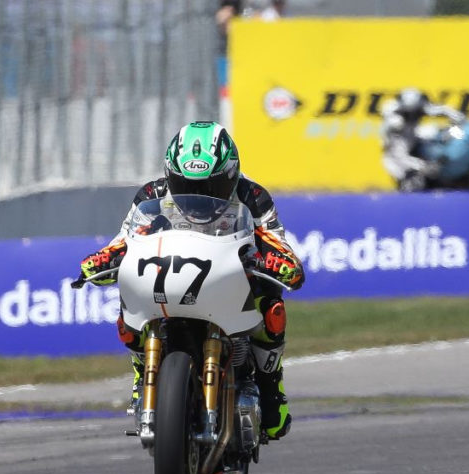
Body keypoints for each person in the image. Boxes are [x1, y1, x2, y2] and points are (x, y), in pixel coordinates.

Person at [79, 121, 304, 440]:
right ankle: (142, 370)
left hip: (228, 274)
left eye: (209, 187)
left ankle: (271, 386)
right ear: (170, 175)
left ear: (231, 175)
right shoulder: (152, 194)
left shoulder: (253, 196)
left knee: (272, 306)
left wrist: (278, 261)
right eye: (185, 185)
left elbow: (277, 241)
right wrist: (104, 258)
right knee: (128, 304)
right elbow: (126, 239)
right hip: (170, 274)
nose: (198, 195)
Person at [379, 87, 466, 192]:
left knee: (434, 135)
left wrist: (455, 115)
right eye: (410, 114)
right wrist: (422, 166)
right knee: (414, 184)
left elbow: (435, 110)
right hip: (397, 162)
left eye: (416, 112)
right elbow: (398, 155)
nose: (414, 115)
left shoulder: (414, 112)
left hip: (413, 151)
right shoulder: (395, 124)